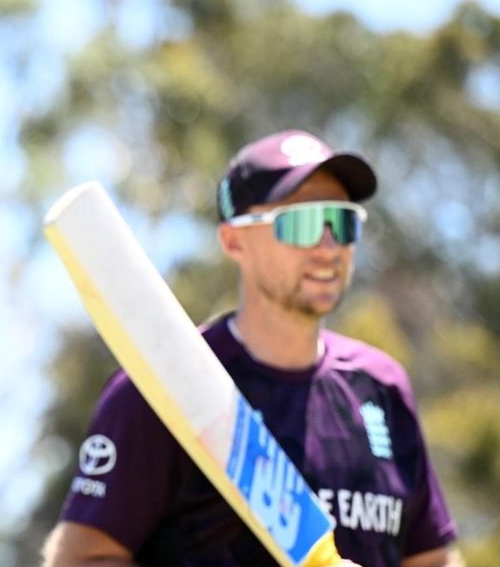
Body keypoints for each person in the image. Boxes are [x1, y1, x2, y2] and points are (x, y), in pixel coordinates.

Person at [42, 130, 462, 567]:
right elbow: (80, 560)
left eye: (342, 222)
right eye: (301, 224)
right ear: (233, 241)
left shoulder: (382, 386)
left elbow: (433, 560)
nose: (328, 247)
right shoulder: (163, 386)